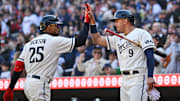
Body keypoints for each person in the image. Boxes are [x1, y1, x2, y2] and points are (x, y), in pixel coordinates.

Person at [3, 8, 90, 101]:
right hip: (40, 83)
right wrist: (86, 21)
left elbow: (18, 66)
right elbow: (81, 41)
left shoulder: (29, 44)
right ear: (48, 27)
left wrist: (10, 88)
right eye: (56, 25)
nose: (58, 28)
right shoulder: (53, 41)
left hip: (28, 84)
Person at [86, 4, 156, 101]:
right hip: (124, 79)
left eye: (117, 21)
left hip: (138, 78)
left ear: (125, 21)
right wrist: (93, 23)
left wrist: (150, 76)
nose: (115, 24)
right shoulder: (118, 38)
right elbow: (97, 40)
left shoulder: (141, 33)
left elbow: (149, 55)